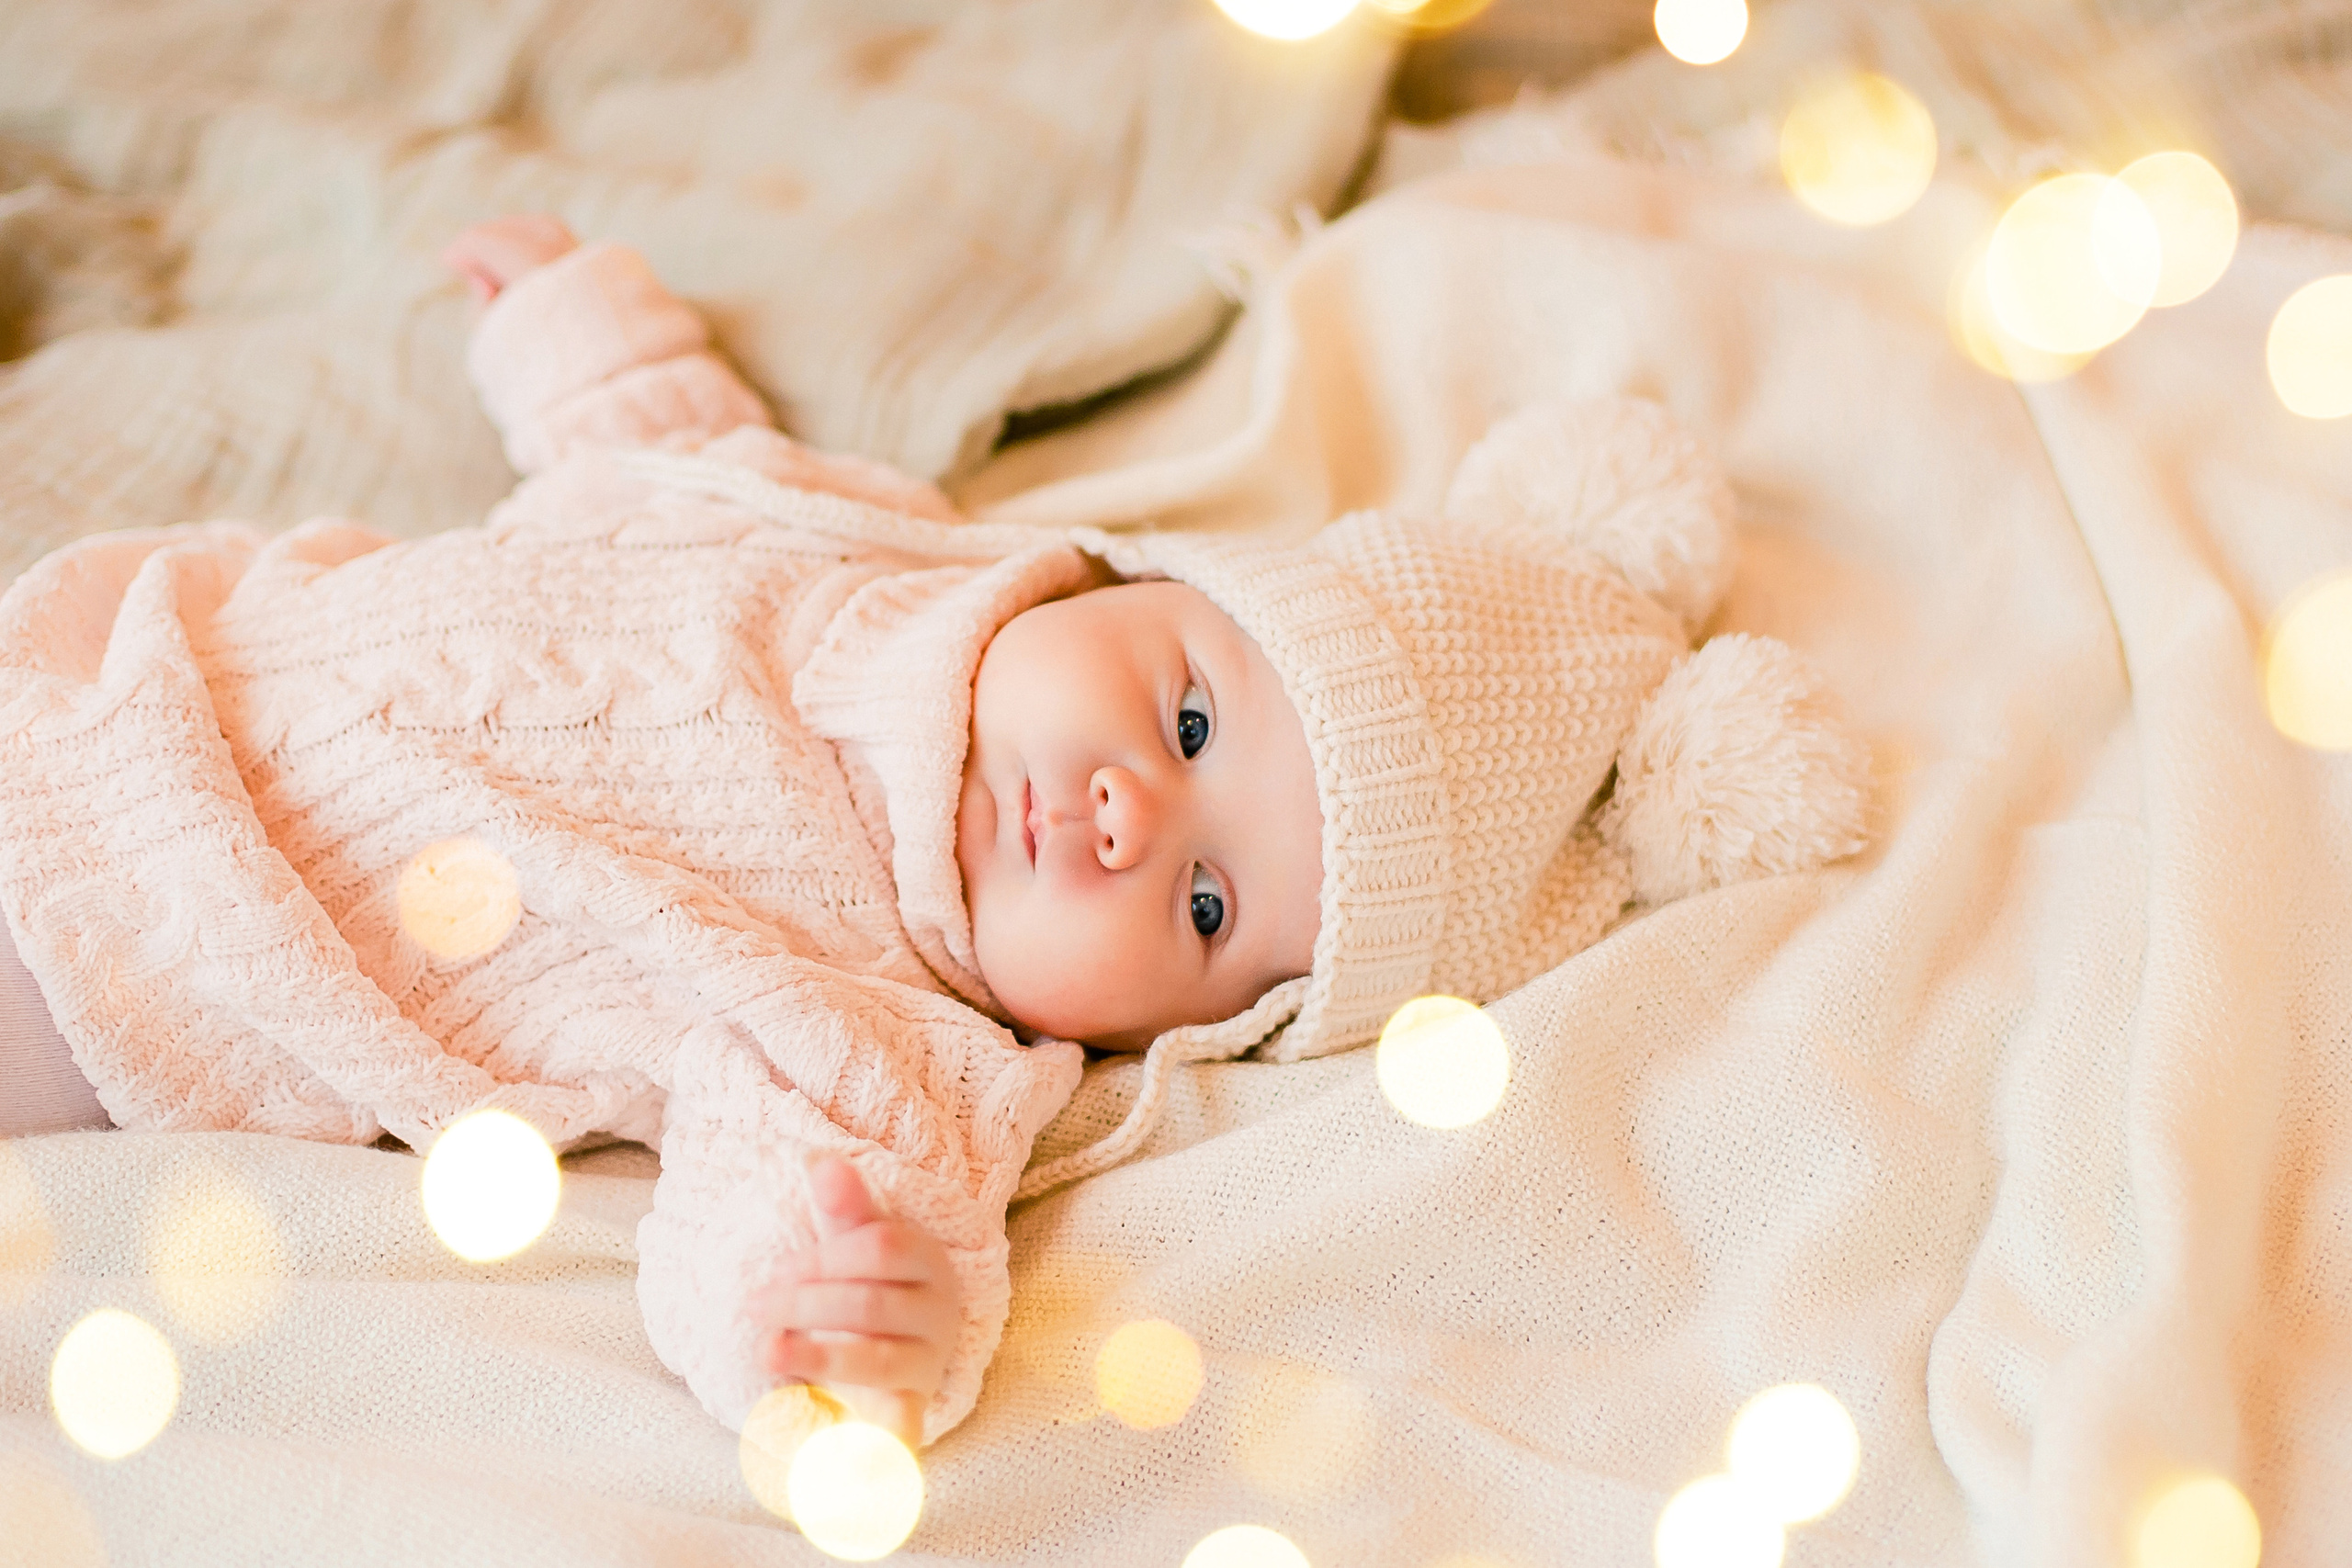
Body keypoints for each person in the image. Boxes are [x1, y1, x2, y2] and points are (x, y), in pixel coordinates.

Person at [0, 216, 1871, 1461]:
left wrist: (839, 1329)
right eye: (1190, 714)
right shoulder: (856, 537)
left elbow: (813, 1218)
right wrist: (582, 324)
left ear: (1184, 1033)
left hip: (138, 967)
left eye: (1207, 901)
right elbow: (650, 452)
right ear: (1130, 583)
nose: (1134, 817)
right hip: (122, 665)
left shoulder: (890, 1025)